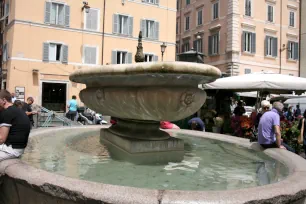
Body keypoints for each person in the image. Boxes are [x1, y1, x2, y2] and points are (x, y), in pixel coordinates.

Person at [0, 90, 31, 161]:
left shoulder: (7, 112)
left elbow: (1, 139)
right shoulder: (18, 111)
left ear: (4, 100)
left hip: (11, 150)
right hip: (18, 149)